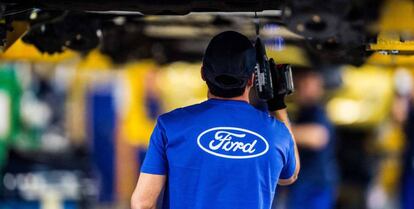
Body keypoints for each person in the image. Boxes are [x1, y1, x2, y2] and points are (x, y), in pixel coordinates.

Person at [130, 31, 300, 209]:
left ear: (203, 73)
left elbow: (142, 203)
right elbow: (289, 176)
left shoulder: (170, 125)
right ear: (252, 79)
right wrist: (277, 105)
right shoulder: (276, 132)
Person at [285, 68, 338, 209]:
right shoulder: (303, 113)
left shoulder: (318, 112)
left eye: (306, 84)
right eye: (299, 83)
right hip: (303, 183)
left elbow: (317, 136)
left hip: (316, 185)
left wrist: (279, 132)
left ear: (319, 87)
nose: (300, 87)